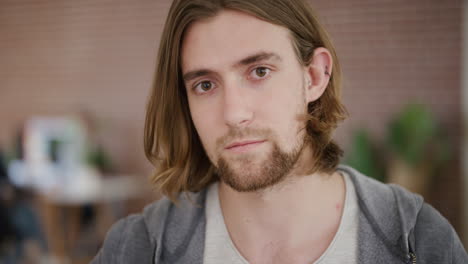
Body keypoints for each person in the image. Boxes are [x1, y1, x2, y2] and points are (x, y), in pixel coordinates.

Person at [91, 0, 468, 263]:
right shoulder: (138, 247)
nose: (234, 113)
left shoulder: (417, 238)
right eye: (205, 85)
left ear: (315, 76)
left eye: (259, 72)